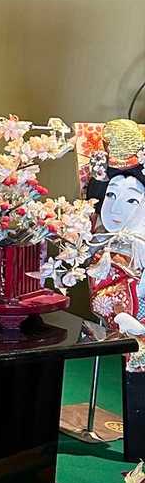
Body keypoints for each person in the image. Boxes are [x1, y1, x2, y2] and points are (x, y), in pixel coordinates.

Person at [84, 122, 145, 338]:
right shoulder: (102, 241)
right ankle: (122, 319)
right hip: (118, 312)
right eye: (110, 195)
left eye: (131, 200)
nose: (116, 209)